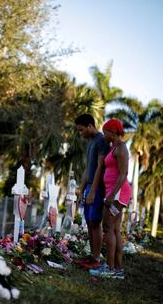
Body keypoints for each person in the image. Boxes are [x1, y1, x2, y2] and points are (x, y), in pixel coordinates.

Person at [89, 118, 131, 279]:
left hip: (117, 194)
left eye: (105, 132)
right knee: (114, 229)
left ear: (113, 132)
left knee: (107, 227)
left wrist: (112, 194)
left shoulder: (121, 149)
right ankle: (118, 270)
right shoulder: (114, 147)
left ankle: (110, 268)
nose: (104, 135)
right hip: (114, 192)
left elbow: (123, 174)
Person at [75, 114, 109, 269]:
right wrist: (81, 190)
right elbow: (87, 169)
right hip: (88, 185)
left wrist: (93, 191)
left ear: (90, 126)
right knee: (89, 222)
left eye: (81, 130)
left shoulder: (101, 140)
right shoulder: (90, 142)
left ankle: (96, 258)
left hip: (98, 187)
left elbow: (100, 168)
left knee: (95, 222)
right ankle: (91, 255)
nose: (80, 133)